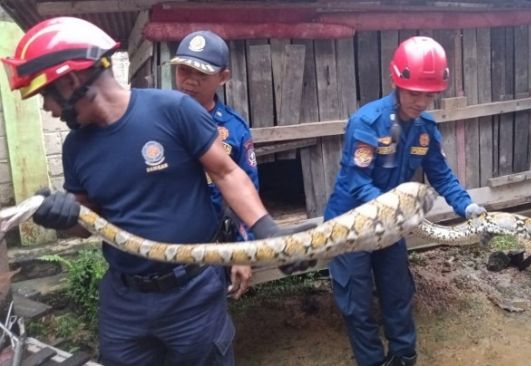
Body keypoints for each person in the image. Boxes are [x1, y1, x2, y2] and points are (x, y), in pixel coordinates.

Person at [2, 17, 309, 366]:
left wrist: (267, 232)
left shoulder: (173, 110)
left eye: (45, 94)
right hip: (124, 303)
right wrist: (61, 217)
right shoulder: (75, 147)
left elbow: (227, 173)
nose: (46, 109)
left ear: (71, 81)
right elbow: (84, 222)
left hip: (192, 294)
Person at [323, 36, 486, 366]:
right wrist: (397, 212)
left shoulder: (425, 128)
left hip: (391, 227)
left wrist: (467, 206)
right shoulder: (367, 123)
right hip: (350, 224)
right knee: (356, 303)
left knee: (397, 293)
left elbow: (440, 174)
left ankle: (403, 357)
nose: (423, 102)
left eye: (430, 94)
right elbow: (358, 182)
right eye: (415, 93)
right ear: (396, 82)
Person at [171, 30, 258, 292]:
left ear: (223, 77)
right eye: (184, 70)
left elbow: (248, 191)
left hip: (213, 245)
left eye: (202, 74)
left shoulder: (234, 130)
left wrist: (243, 251)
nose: (190, 81)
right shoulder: (156, 121)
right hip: (163, 245)